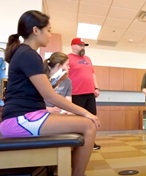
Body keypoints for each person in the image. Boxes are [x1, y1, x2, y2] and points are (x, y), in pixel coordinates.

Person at [0, 10, 100, 176]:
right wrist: (87, 113)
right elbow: (50, 96)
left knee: (77, 125)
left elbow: (38, 91)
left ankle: (61, 169)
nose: (50, 34)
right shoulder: (28, 54)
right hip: (19, 120)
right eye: (48, 30)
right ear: (35, 30)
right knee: (89, 125)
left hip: (28, 116)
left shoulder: (26, 54)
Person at [68, 37, 101, 150]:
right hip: (76, 94)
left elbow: (92, 74)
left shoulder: (87, 59)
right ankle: (76, 143)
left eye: (84, 46)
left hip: (90, 94)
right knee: (78, 120)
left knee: (92, 118)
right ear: (73, 46)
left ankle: (91, 142)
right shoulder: (68, 58)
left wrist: (96, 87)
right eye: (80, 45)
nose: (82, 48)